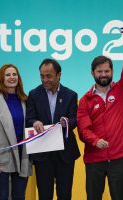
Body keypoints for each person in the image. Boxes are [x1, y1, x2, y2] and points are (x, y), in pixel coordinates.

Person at [77, 29, 123, 200]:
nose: (103, 74)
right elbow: (83, 130)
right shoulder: (85, 100)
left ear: (112, 72)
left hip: (120, 157)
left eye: (107, 71)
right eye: (99, 71)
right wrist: (95, 141)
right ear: (92, 73)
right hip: (94, 159)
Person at [26, 58, 80, 200]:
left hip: (65, 154)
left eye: (48, 76)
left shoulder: (71, 95)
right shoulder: (33, 94)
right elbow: (28, 119)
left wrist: (67, 122)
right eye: (42, 76)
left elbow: (75, 120)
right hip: (42, 155)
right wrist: (35, 122)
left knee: (65, 195)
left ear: (58, 75)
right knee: (44, 195)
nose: (45, 80)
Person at [0, 64, 32, 200]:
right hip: (1, 157)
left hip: (23, 155)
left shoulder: (26, 100)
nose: (12, 77)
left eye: (14, 74)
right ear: (1, 79)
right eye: (8, 75)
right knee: (2, 196)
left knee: (19, 196)